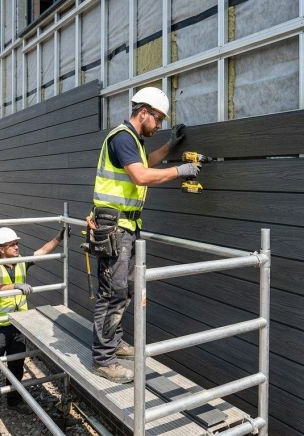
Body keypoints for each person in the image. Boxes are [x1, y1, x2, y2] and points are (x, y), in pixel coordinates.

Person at [88, 87, 199, 383]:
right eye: (158, 119)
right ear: (144, 112)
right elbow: (141, 176)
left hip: (125, 227)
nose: (159, 125)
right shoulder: (123, 137)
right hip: (115, 228)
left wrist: (171, 146)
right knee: (112, 292)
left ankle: (115, 343)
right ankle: (103, 359)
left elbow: (146, 163)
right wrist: (181, 170)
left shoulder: (131, 140)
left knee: (122, 290)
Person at [0, 225, 66, 409]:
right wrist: (16, 285)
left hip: (18, 324)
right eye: (12, 245)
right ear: (1, 248)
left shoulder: (21, 261)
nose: (17, 247)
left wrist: (59, 238)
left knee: (17, 363)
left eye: (17, 244)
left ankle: (14, 400)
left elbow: (41, 252)